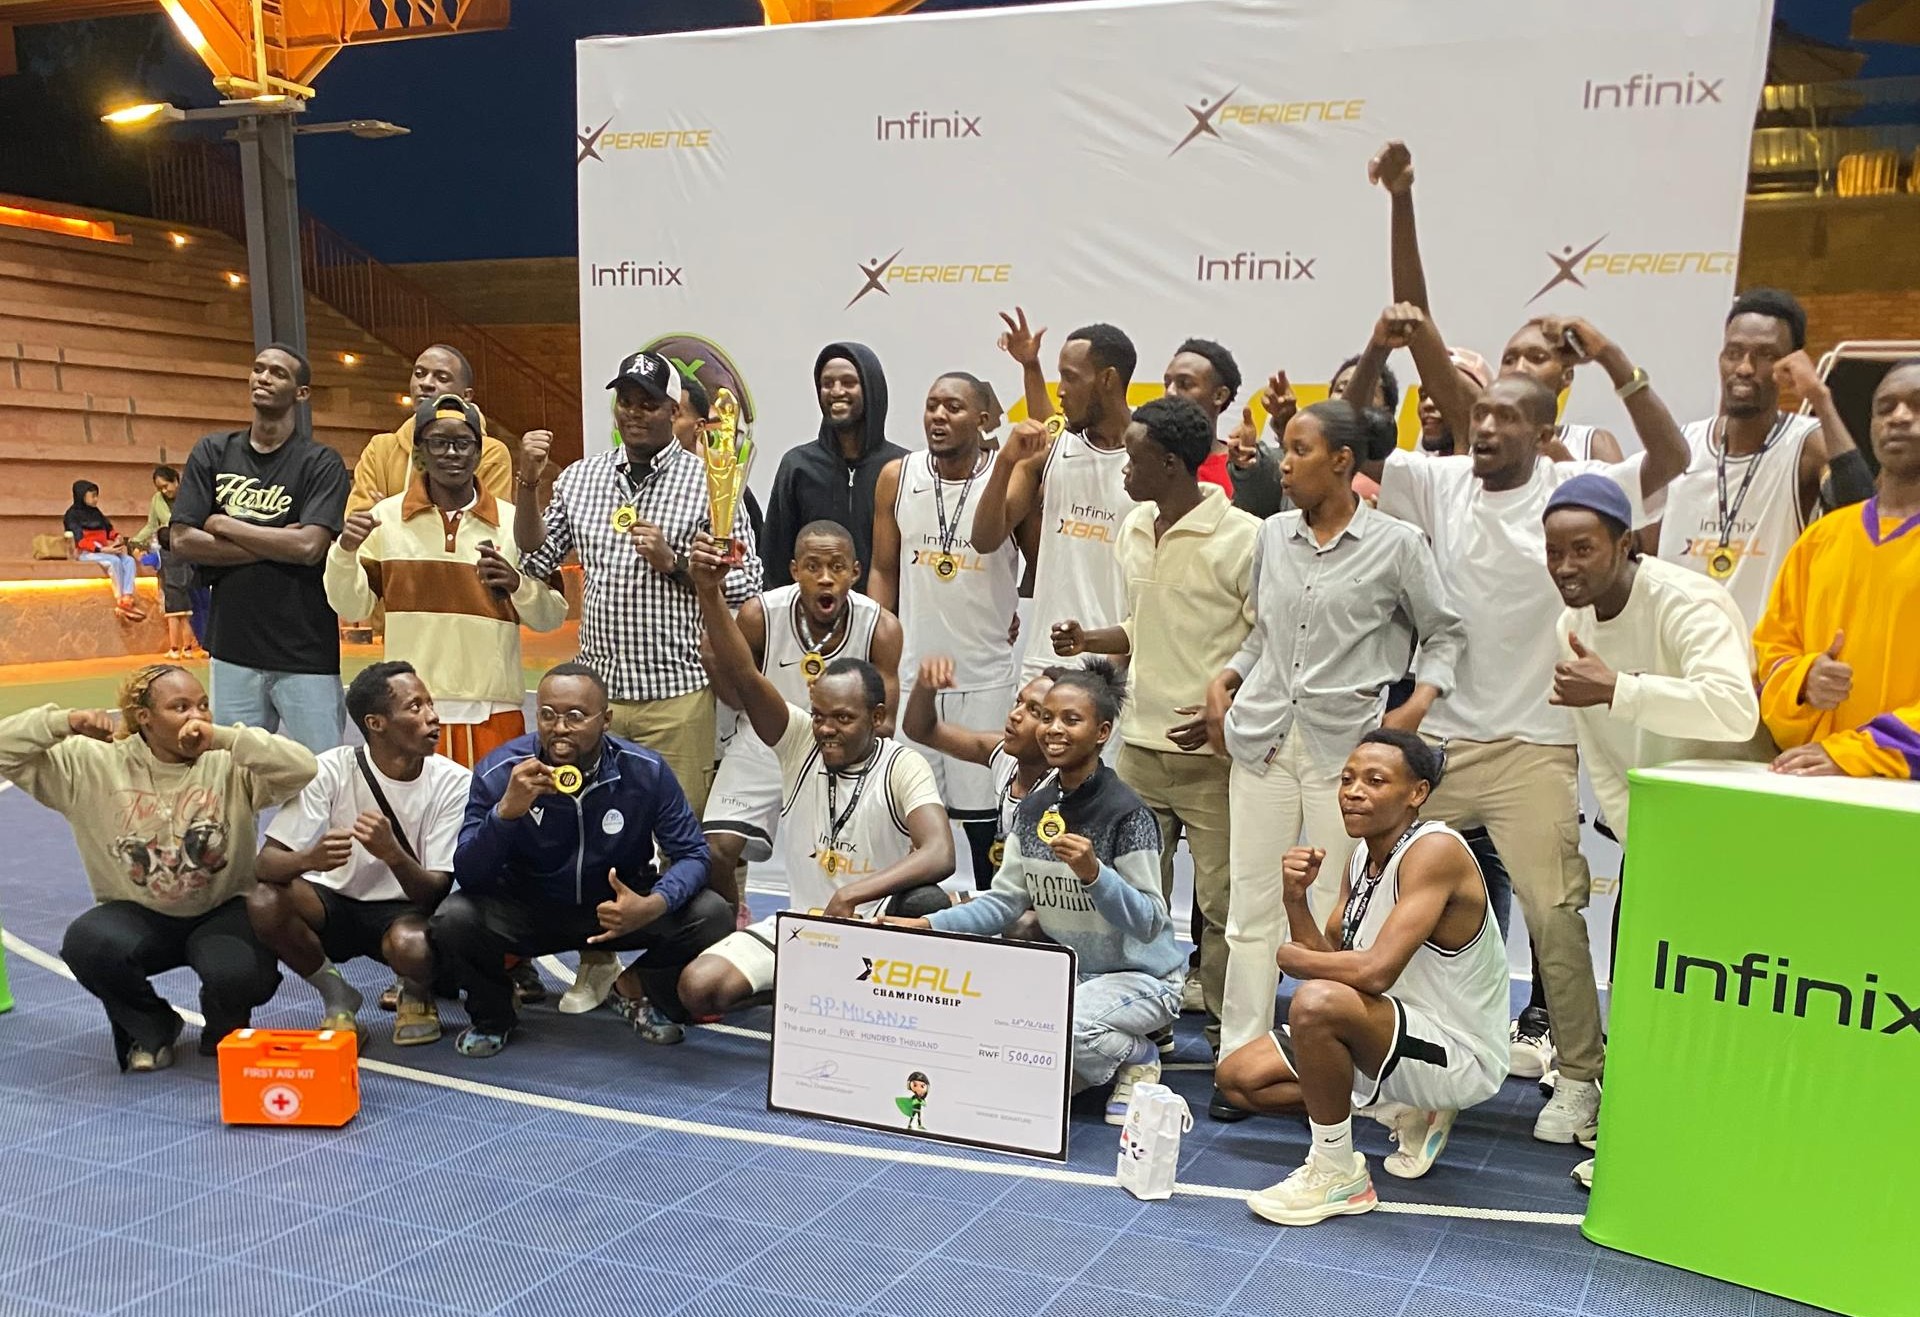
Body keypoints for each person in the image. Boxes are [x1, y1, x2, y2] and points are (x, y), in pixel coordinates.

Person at [1362, 325, 1688, 1145]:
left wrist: (1613, 358)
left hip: (1535, 745)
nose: (1485, 426)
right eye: (1479, 414)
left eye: (1506, 416)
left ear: (1543, 433)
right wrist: (1386, 342)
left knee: (1554, 913)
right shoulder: (1438, 480)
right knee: (1385, 900)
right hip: (1440, 744)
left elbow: (1672, 457)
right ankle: (1409, 1060)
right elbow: (1364, 429)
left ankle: (1579, 1077)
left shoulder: (1574, 487)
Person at [1209, 400, 1465, 1115]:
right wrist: (1226, 676)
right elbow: (1264, 635)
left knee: (1332, 911)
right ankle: (1240, 1058)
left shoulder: (1398, 544)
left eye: (1299, 450)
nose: (1284, 464)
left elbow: (1444, 632)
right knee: (1251, 908)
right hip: (1263, 738)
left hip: (1344, 749)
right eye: (1285, 449)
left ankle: (1326, 1066)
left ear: (1343, 461)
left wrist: (1416, 706)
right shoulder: (1272, 534)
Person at [1214, 731, 1508, 1225]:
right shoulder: (1362, 857)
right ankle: (1398, 1107)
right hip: (1386, 1032)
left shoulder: (1435, 850)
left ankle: (1337, 1172)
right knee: (1238, 1080)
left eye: (1375, 781)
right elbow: (1334, 958)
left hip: (1458, 1053)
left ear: (1417, 793)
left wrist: (1294, 960)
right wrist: (1294, 900)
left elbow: (1373, 971)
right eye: (1347, 779)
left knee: (1316, 1003)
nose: (1353, 792)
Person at [1051, 396, 1258, 1058]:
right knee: (1133, 897)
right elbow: (1141, 625)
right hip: (1139, 750)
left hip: (1214, 758)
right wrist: (1091, 638)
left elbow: (1269, 641)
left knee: (1224, 906)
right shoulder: (1136, 525)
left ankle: (1229, 1041)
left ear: (1170, 464)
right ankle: (1147, 1023)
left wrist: (1229, 707)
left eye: (1134, 459)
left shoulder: (1245, 538)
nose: (1124, 470)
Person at [679, 532, 954, 1021]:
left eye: (843, 718)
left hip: (873, 930)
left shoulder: (901, 764)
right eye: (821, 715)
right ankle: (795, 984)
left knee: (927, 900)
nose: (827, 728)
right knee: (697, 988)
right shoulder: (800, 742)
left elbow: (940, 853)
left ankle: (829, 990)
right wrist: (707, 590)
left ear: (876, 717)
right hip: (804, 928)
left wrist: (851, 894)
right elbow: (745, 674)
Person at [900, 659, 1183, 1124]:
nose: (1054, 729)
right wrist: (927, 925)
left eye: (1071, 720)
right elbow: (1003, 903)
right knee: (999, 1033)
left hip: (1145, 979)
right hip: (1073, 976)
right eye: (1048, 717)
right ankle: (1083, 1058)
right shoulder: (1034, 811)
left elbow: (1151, 921)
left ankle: (1138, 1055)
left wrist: (1095, 875)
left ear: (1102, 732)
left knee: (1066, 1027)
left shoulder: (1127, 814)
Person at [0, 664, 316, 1069]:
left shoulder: (228, 761)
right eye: (180, 707)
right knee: (88, 945)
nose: (197, 717)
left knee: (241, 973)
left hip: (222, 910)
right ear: (144, 717)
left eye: (203, 705)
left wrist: (225, 737)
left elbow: (303, 768)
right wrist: (64, 722)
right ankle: (152, 1025)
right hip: (138, 914)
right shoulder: (91, 764)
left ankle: (224, 1026)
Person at [433, 662, 734, 1056]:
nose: (560, 727)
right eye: (547, 715)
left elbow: (692, 853)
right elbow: (470, 874)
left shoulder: (645, 771)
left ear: (605, 720)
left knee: (712, 913)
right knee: (453, 918)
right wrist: (505, 814)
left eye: (575, 716)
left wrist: (652, 905)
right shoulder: (500, 771)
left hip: (616, 910)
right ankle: (494, 1015)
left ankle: (637, 989)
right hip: (529, 909)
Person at [514, 350, 761, 815]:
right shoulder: (581, 478)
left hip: (677, 695)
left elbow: (746, 586)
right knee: (594, 829)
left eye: (648, 404)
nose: (634, 413)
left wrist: (675, 563)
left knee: (678, 832)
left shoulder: (710, 483)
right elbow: (535, 555)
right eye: (625, 401)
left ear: (674, 410)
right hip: (597, 699)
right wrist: (527, 484)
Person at [326, 393, 568, 768]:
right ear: (420, 451)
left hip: (494, 711)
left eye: (463, 443)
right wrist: (344, 551)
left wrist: (517, 584)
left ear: (479, 452)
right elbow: (351, 607)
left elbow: (551, 616)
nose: (451, 453)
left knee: (496, 806)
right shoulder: (385, 518)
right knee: (412, 808)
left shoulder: (513, 522)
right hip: (410, 711)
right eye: (439, 442)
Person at [1355, 140, 1626, 465]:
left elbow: (1620, 499)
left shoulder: (1592, 443)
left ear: (1567, 376)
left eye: (1537, 358)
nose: (1519, 368)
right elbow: (1416, 317)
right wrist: (1401, 197)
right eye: (1509, 359)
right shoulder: (1477, 425)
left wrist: (1558, 461)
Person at [250, 662, 468, 1045]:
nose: (433, 716)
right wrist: (308, 860)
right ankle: (337, 996)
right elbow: (265, 864)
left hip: (405, 909)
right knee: (263, 900)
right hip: (334, 901)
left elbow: (434, 892)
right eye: (415, 707)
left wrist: (393, 854)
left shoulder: (454, 782)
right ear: (376, 723)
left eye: (430, 704)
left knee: (413, 947)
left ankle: (415, 992)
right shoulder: (331, 769)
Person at [1544, 474, 1762, 846]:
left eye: (1582, 550)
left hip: (1737, 823)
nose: (1565, 567)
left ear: (1623, 544)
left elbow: (1736, 711)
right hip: (1654, 831)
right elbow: (1600, 762)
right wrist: (1639, 842)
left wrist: (1618, 690)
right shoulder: (1571, 626)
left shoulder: (1686, 603)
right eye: (1553, 553)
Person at [701, 520, 899, 916]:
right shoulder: (760, 615)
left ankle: (849, 928)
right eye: (812, 566)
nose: (825, 578)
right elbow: (736, 698)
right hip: (766, 740)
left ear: (855, 572)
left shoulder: (881, 627)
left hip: (839, 751)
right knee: (716, 850)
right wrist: (717, 667)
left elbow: (886, 724)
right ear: (794, 570)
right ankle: (733, 924)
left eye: (837, 567)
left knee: (833, 861)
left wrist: (837, 724)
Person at [870, 372, 1022, 886]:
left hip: (984, 678)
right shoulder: (897, 476)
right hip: (914, 677)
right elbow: (883, 568)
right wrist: (875, 648)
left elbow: (1038, 562)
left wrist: (1012, 611)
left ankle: (992, 918)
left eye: (953, 407)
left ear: (983, 419)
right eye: (932, 405)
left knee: (986, 824)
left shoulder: (1007, 479)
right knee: (912, 818)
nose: (938, 416)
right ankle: (911, 916)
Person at [169, 344, 352, 754]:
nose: (263, 378)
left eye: (278, 373)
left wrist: (224, 525)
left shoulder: (321, 463)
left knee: (323, 775)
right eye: (258, 369)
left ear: (301, 393)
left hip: (306, 654)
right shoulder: (213, 452)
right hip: (233, 651)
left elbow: (310, 546)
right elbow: (182, 540)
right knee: (235, 777)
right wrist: (279, 539)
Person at [1654, 289, 1870, 625]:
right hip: (1676, 651)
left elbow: (1863, 512)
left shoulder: (1806, 442)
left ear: (1791, 363)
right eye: (1733, 353)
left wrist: (1820, 397)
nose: (1744, 367)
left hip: (1762, 654)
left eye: (1765, 355)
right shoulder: (1682, 446)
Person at [1755, 359, 1920, 779]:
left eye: (1918, 405)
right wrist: (1804, 680)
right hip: (1817, 781)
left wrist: (1859, 752)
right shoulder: (1820, 538)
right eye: (1885, 408)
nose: (1899, 417)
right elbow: (1773, 652)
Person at [974, 311, 1139, 684]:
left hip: (1114, 670)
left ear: (1108, 379)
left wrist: (1115, 670)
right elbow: (984, 538)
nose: (1061, 389)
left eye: (1070, 377)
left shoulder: (1148, 459)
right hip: (1043, 664)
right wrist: (1006, 462)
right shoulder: (1050, 452)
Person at [902, 657, 1064, 886]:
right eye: (1018, 702)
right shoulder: (1004, 755)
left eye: (1034, 711)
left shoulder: (1068, 784)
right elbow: (921, 730)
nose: (1015, 715)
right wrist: (925, 686)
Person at [761, 343, 906, 591]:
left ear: (871, 389)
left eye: (848, 383)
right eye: (827, 384)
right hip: (811, 612)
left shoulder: (901, 468)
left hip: (885, 612)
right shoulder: (798, 466)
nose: (836, 391)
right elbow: (775, 560)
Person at [346, 345, 515, 515]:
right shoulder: (380, 448)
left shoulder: (491, 452)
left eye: (442, 378)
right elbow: (359, 520)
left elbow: (488, 524)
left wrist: (390, 514)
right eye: (419, 374)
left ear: (466, 396)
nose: (426, 383)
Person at [1227, 357, 1402, 519]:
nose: (1348, 398)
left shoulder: (1401, 474)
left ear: (1386, 411)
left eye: (1362, 390)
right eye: (1340, 389)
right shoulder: (1293, 465)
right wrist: (1248, 463)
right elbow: (1256, 505)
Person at [671, 368, 766, 549]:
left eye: (675, 413)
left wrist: (709, 554)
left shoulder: (727, 490)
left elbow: (747, 555)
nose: (666, 420)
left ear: (700, 426)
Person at [128, 466, 201, 659]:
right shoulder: (157, 500)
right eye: (159, 487)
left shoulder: (190, 495)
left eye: (166, 485)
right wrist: (135, 542)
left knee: (184, 613)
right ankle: (188, 648)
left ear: (176, 480)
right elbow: (152, 525)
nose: (163, 490)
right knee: (186, 615)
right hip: (175, 554)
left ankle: (183, 647)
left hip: (192, 549)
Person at [63, 479, 142, 621]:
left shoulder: (96, 512)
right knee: (113, 562)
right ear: (82, 496)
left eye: (96, 496)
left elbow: (108, 530)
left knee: (129, 561)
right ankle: (120, 599)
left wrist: (117, 537)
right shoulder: (72, 515)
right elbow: (80, 541)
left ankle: (127, 596)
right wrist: (103, 549)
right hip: (87, 553)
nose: (96, 499)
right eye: (92, 496)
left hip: (105, 550)